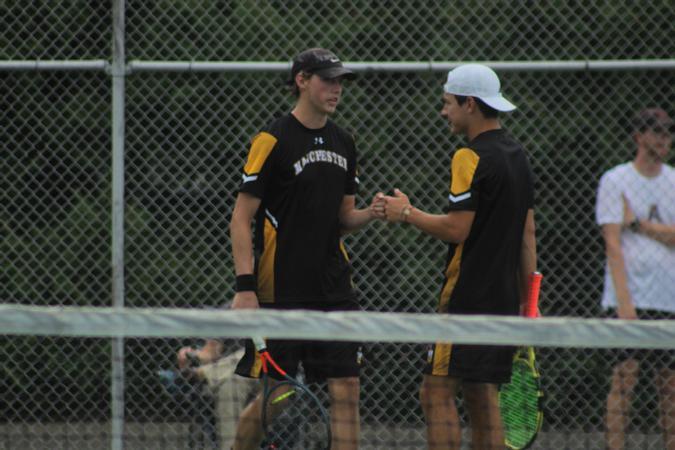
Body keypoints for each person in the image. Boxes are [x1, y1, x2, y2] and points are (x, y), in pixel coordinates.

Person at [228, 47, 385, 450]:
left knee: (347, 387)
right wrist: (245, 288)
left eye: (340, 81)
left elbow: (342, 219)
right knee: (279, 394)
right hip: (282, 289)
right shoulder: (272, 139)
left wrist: (371, 214)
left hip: (334, 288)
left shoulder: (344, 142)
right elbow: (241, 218)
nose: (336, 89)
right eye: (327, 80)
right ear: (301, 81)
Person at [381, 63, 537, 450]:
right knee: (481, 395)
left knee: (435, 392)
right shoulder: (518, 155)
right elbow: (527, 234)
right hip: (503, 302)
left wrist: (406, 212)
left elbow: (456, 229)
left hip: (466, 301)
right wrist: (527, 302)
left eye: (448, 103)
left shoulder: (468, 157)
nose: (443, 111)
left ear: (470, 104)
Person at [596, 107, 675, 450]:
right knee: (623, 382)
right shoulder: (615, 181)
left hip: (668, 299)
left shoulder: (674, 181)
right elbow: (613, 244)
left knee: (670, 387)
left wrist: (638, 224)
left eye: (668, 133)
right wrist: (625, 304)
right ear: (639, 137)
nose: (665, 139)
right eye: (658, 132)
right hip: (626, 300)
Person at [176, 339, 257, 450]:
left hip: (271, 375)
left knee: (256, 351)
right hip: (239, 376)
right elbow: (211, 351)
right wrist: (193, 354)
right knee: (230, 385)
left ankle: (202, 373)